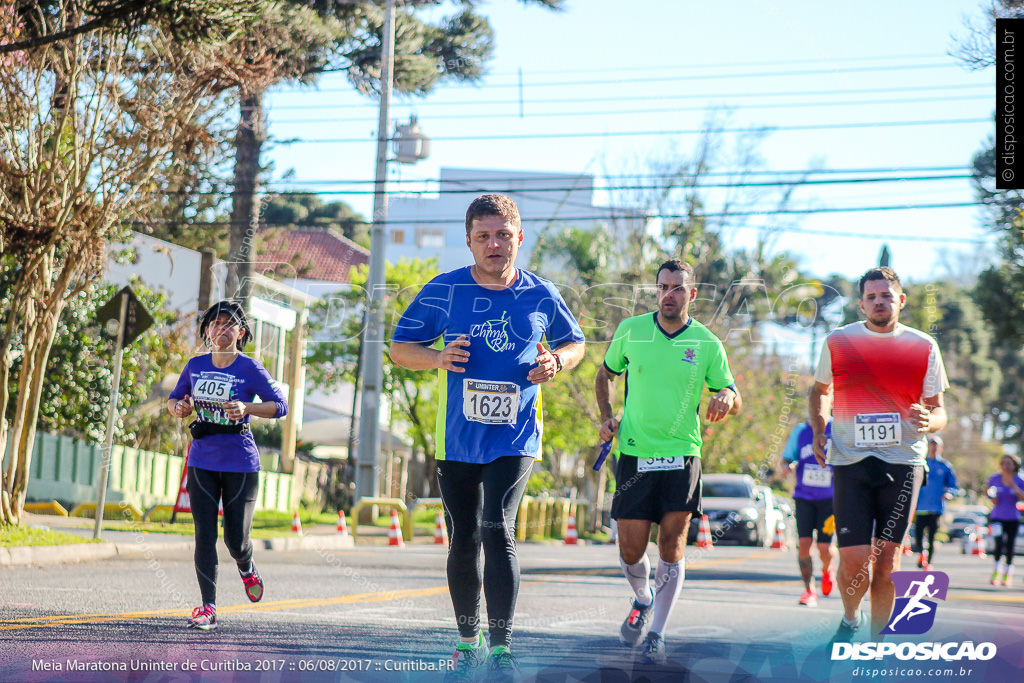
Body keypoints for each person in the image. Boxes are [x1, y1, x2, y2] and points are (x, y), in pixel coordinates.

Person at [390, 194, 585, 682]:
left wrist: (557, 362)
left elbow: (575, 341)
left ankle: (501, 646)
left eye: (503, 235)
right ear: (470, 241)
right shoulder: (445, 291)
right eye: (484, 236)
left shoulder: (541, 294)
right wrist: (436, 358)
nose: (494, 244)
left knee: (498, 527)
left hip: (515, 434)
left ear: (519, 237)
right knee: (464, 537)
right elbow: (399, 348)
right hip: (457, 437)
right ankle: (466, 641)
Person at [595, 258, 741, 664]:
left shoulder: (708, 343)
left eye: (677, 288)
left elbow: (729, 389)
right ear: (656, 290)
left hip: (682, 454)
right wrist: (607, 417)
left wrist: (727, 396)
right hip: (636, 454)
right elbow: (604, 374)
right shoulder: (632, 331)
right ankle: (643, 599)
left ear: (692, 294)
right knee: (629, 547)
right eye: (662, 287)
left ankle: (657, 632)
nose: (669, 295)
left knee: (672, 544)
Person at [809, 267, 948, 642]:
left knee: (887, 562)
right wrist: (820, 430)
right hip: (850, 461)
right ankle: (851, 618)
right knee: (854, 561)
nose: (879, 302)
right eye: (871, 297)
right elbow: (820, 390)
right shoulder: (839, 341)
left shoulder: (923, 346)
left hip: (903, 461)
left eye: (886, 295)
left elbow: (939, 411)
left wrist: (929, 420)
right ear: (861, 304)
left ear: (900, 300)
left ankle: (877, 642)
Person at [167, 300, 289, 631]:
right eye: (215, 323)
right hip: (202, 458)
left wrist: (247, 407)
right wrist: (178, 407)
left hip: (241, 462)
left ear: (241, 332)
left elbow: (281, 406)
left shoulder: (250, 368)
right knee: (204, 535)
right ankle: (208, 607)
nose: (221, 329)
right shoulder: (194, 365)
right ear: (207, 330)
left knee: (235, 540)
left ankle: (246, 566)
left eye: (229, 324)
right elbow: (175, 398)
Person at [780, 419, 836, 607]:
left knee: (824, 547)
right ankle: (809, 590)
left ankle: (828, 570)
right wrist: (787, 466)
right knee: (804, 544)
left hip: (829, 499)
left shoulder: (837, 428)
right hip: (804, 496)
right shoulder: (801, 429)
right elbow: (788, 457)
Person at [913, 435, 957, 571]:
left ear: (940, 448)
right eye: (931, 445)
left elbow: (953, 486)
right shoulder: (920, 463)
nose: (933, 447)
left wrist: (949, 493)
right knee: (918, 536)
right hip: (920, 507)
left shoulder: (945, 466)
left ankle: (929, 563)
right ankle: (922, 553)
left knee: (932, 537)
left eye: (936, 445)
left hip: (936, 509)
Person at [986, 453, 1024, 586]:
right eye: (1003, 463)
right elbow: (988, 491)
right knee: (999, 543)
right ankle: (996, 571)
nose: (1005, 466)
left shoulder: (1019, 480)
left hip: (1012, 517)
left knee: (1010, 546)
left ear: (1014, 465)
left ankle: (1007, 574)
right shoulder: (995, 478)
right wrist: (991, 497)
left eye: (1009, 463)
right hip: (997, 516)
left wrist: (1013, 486)